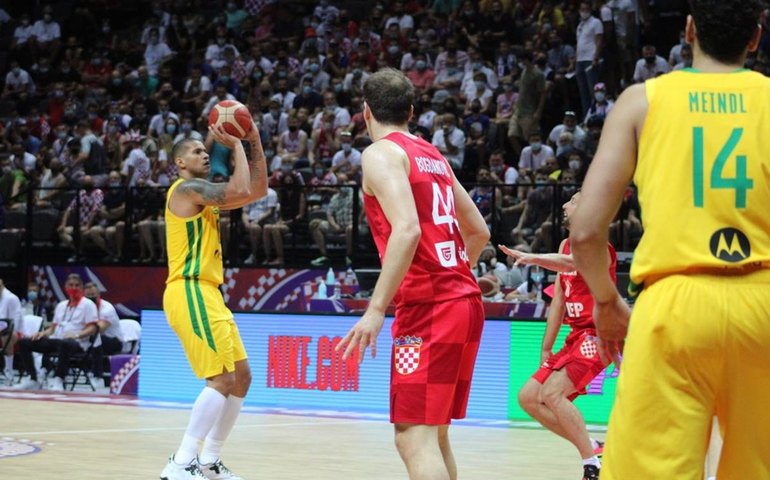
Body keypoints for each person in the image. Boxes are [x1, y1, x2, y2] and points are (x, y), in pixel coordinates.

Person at [569, 2, 770, 478]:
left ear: (689, 30)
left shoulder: (641, 101)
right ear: (756, 38)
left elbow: (585, 231)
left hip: (672, 304)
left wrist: (606, 300)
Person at [337, 69, 490, 480]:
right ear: (410, 111)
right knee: (433, 436)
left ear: (365, 112)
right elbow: (478, 231)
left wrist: (375, 308)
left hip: (430, 311)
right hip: (464, 302)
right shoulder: (432, 153)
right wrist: (452, 278)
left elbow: (407, 229)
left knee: (412, 437)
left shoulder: (380, 154)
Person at [159, 121, 267, 480]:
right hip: (189, 288)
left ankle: (209, 462)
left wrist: (252, 141)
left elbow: (257, 189)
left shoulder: (204, 195)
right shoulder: (186, 189)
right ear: (179, 162)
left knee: (241, 378)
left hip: (209, 293)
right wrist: (235, 143)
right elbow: (237, 186)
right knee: (221, 378)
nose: (205, 154)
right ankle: (180, 462)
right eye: (196, 151)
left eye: (206, 151)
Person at [499, 192, 614, 480]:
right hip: (575, 336)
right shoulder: (564, 244)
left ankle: (592, 464)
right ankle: (594, 448)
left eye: (573, 201)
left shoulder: (599, 244)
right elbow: (559, 302)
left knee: (552, 394)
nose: (564, 205)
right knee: (528, 398)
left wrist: (534, 257)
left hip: (598, 335)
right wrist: (546, 347)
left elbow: (572, 263)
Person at [14, 273, 98, 391]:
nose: (73, 288)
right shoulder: (61, 305)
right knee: (24, 342)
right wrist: (41, 334)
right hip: (56, 340)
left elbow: (93, 328)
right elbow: (52, 329)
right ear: (65, 287)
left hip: (77, 342)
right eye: (71, 285)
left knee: (66, 343)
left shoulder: (88, 304)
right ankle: (32, 378)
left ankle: (59, 379)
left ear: (81, 287)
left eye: (77, 285)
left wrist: (77, 335)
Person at [81, 282, 123, 388]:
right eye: (88, 296)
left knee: (95, 337)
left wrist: (77, 333)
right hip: (96, 340)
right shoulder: (83, 308)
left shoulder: (107, 308)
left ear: (99, 294)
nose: (91, 298)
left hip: (114, 341)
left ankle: (97, 376)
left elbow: (98, 329)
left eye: (93, 295)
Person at [0, 278, 22, 382]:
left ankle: (9, 370)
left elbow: (15, 322)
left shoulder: (11, 298)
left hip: (15, 332)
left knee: (6, 334)